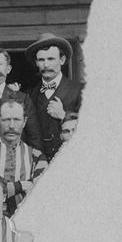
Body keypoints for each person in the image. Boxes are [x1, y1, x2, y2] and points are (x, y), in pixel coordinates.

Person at [0, 99, 48, 216]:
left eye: (17, 119)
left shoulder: (37, 156)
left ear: (24, 122)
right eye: (6, 120)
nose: (11, 126)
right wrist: (22, 186)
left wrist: (1, 190)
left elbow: (42, 191)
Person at [25, 33, 83, 161]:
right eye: (41, 60)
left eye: (51, 59)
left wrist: (64, 115)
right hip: (40, 163)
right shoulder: (29, 95)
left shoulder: (80, 91)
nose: (46, 65)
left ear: (61, 60)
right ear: (36, 63)